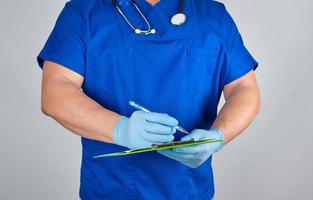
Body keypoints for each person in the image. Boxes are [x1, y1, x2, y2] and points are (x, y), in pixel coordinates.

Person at [37, 0, 260, 199]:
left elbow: (244, 88)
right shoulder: (84, 11)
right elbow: (55, 91)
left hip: (188, 190)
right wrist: (119, 128)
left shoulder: (213, 16)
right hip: (109, 189)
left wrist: (218, 136)